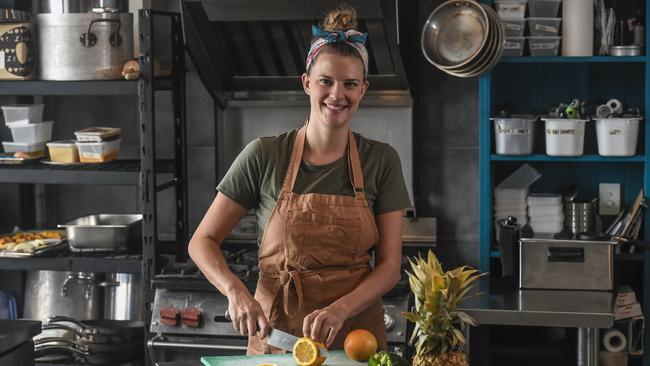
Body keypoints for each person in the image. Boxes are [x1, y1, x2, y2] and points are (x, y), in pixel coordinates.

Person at [188, 5, 411, 355]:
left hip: (354, 336)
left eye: (350, 84)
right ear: (307, 83)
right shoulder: (264, 154)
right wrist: (235, 291)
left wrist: (340, 309)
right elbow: (202, 241)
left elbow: (389, 267)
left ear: (363, 89)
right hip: (277, 332)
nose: (338, 95)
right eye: (326, 81)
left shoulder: (381, 160)